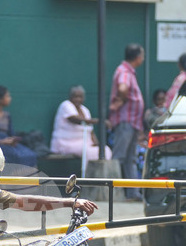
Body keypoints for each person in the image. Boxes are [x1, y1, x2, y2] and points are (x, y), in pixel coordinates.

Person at [108, 43, 146, 200]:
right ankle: (111, 193)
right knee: (119, 157)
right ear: (138, 57)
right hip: (126, 121)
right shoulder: (124, 71)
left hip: (132, 122)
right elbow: (123, 88)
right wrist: (121, 100)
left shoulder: (129, 71)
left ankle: (133, 193)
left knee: (130, 158)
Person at [0, 85, 38, 170]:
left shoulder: (7, 115)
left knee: (31, 155)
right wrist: (1, 141)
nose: (10, 98)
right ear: (0, 99)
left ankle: (29, 181)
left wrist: (13, 140)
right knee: (16, 156)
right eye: (7, 96)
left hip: (8, 143)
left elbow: (11, 133)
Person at [49, 85, 111, 159]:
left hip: (85, 143)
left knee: (105, 150)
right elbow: (76, 120)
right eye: (75, 97)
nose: (78, 99)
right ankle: (89, 170)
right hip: (65, 143)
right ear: (70, 97)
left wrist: (96, 143)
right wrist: (99, 121)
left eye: (80, 97)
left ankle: (102, 171)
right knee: (89, 152)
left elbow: (90, 131)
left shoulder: (85, 110)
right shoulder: (66, 105)